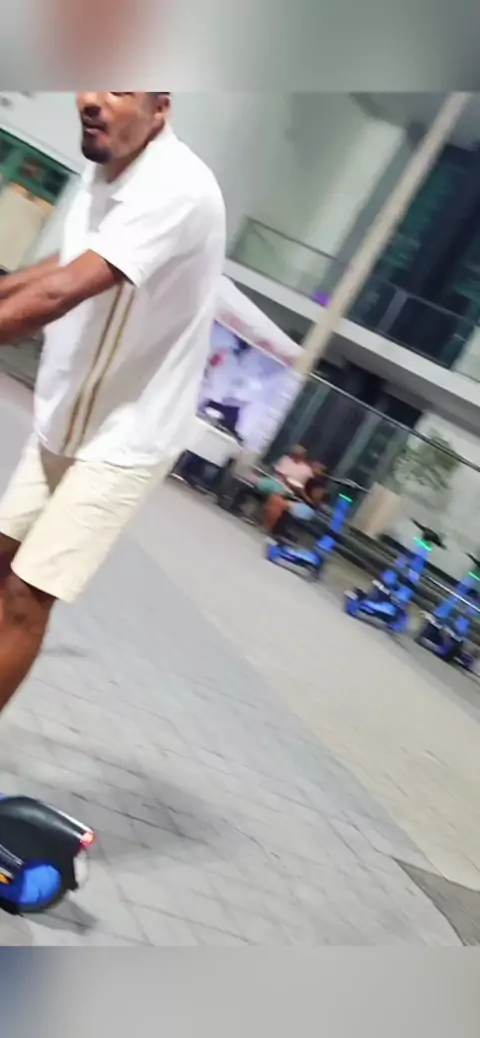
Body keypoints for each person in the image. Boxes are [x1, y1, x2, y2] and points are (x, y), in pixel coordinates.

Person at [0, 92, 226, 717]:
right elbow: (67, 260)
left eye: (121, 89)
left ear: (160, 108)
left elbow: (64, 292)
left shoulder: (178, 189)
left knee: (25, 594)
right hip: (68, 414)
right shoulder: (101, 169)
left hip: (127, 435)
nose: (95, 101)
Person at [232, 445, 312, 522]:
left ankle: (258, 489)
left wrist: (289, 482)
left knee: (269, 489)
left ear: (302, 456)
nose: (294, 456)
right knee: (249, 482)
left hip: (287, 489)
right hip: (274, 481)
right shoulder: (286, 459)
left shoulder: (306, 470)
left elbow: (300, 484)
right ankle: (237, 506)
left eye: (297, 454)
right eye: (294, 454)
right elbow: (278, 472)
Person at [269, 466, 328, 540]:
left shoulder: (321, 487)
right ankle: (274, 528)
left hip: (308, 509)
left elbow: (313, 502)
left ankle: (278, 531)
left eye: (318, 469)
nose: (314, 468)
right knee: (278, 499)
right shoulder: (310, 479)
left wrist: (303, 494)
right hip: (299, 501)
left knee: (286, 506)